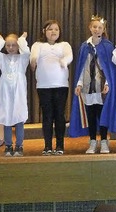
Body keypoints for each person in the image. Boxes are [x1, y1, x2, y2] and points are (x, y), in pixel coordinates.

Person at [71, 16, 116, 154]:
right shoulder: (84, 46)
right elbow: (82, 67)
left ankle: (104, 141)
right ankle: (93, 141)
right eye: (94, 27)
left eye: (100, 27)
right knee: (91, 116)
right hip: (88, 88)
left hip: (101, 89)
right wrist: (79, 83)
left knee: (103, 115)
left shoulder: (107, 46)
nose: (97, 29)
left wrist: (108, 83)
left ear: (103, 29)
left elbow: (110, 69)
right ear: (90, 28)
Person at [30, 19, 73, 155]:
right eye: (50, 29)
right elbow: (33, 57)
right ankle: (47, 146)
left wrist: (64, 61)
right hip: (43, 86)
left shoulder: (64, 45)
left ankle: (60, 146)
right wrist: (33, 60)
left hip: (61, 85)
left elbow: (69, 56)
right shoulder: (38, 44)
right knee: (47, 116)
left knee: (59, 115)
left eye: (56, 29)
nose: (53, 32)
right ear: (44, 31)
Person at [0, 32, 30, 157]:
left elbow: (27, 52)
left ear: (18, 46)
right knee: (6, 119)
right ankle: (8, 145)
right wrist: (0, 41)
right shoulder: (2, 58)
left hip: (18, 93)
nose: (11, 48)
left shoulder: (22, 59)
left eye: (14, 45)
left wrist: (22, 39)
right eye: (8, 45)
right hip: (6, 94)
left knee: (19, 119)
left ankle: (19, 145)